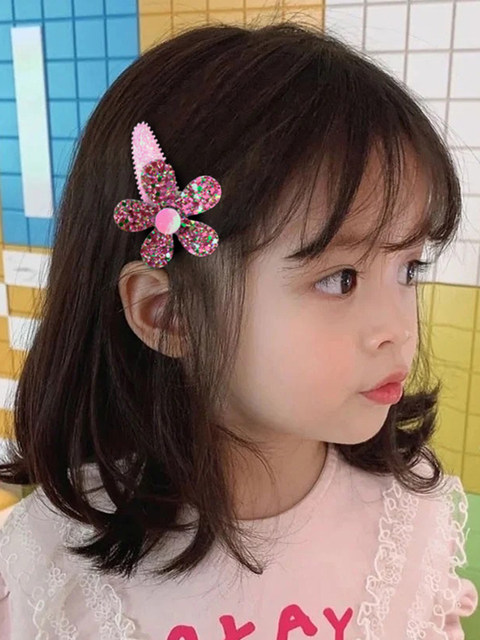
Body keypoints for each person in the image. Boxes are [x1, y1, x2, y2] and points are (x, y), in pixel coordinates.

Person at [0, 18, 477, 639]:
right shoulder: (48, 569)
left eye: (409, 269)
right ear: (169, 314)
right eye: (340, 279)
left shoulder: (413, 524)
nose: (397, 330)